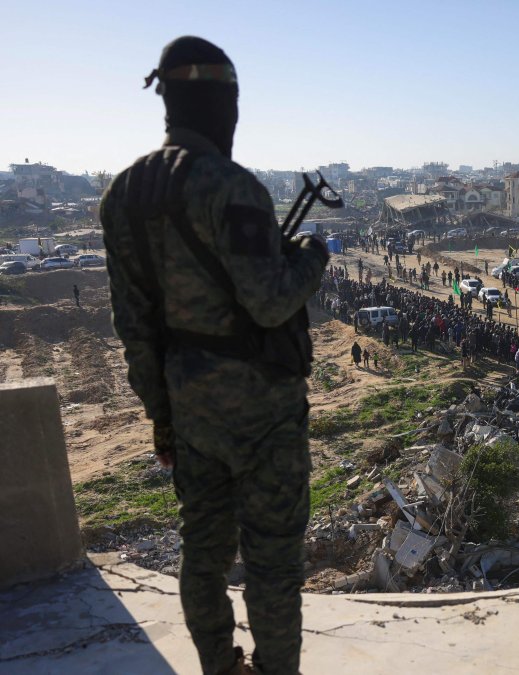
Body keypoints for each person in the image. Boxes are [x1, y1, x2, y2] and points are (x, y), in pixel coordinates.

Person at [100, 36, 329, 675]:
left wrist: (163, 418)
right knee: (273, 561)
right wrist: (313, 254)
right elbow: (270, 301)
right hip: (264, 412)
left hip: (188, 407)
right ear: (224, 104)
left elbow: (134, 327)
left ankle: (217, 668)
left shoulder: (122, 195)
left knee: (202, 553)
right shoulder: (232, 187)